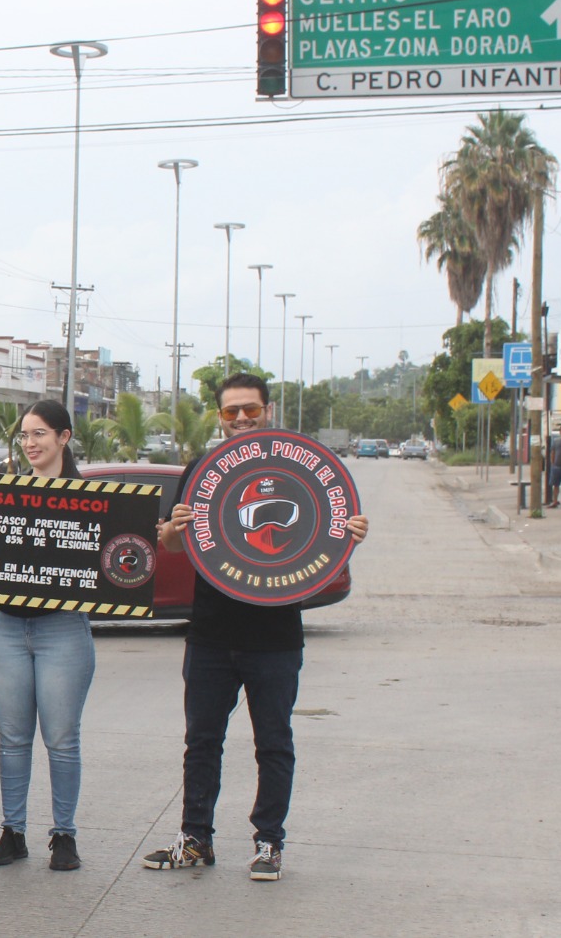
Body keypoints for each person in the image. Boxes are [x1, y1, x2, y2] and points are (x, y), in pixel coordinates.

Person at [144, 372, 369, 882]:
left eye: (250, 409)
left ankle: (269, 843)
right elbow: (177, 545)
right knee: (201, 741)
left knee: (273, 742)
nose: (242, 419)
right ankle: (195, 838)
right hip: (211, 634)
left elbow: (327, 537)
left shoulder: (299, 465)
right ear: (218, 416)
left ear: (267, 410)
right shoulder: (203, 469)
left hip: (275, 638)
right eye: (231, 412)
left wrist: (350, 534)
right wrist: (172, 532)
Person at [0, 398, 94, 872]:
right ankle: (13, 831)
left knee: (62, 738)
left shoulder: (92, 496)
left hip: (63, 629)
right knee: (12, 737)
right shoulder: (2, 490)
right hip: (6, 626)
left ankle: (64, 835)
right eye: (24, 435)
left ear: (64, 437)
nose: (30, 444)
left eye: (39, 434)